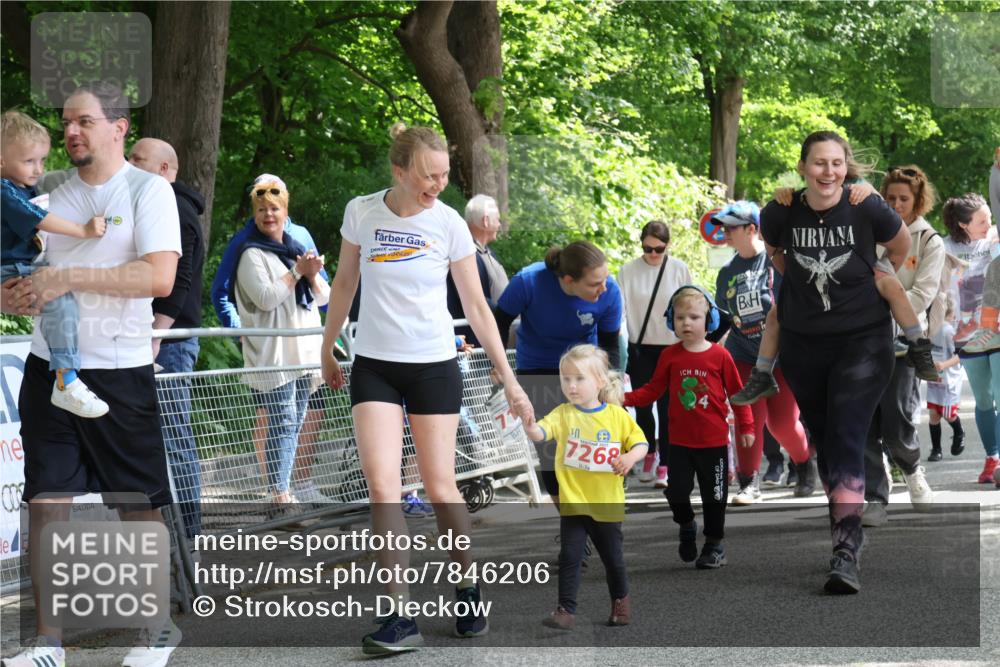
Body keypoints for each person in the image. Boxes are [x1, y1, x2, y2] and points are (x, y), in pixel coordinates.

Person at [319, 123, 532, 655]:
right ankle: (399, 614)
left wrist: (508, 380)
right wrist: (327, 346)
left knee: (440, 487)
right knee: (382, 487)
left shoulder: (450, 224)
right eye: (427, 175)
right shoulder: (361, 212)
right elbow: (345, 282)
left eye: (442, 174)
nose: (438, 184)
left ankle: (467, 586)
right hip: (374, 365)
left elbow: (477, 307)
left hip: (434, 364)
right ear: (398, 171)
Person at [11, 82, 182, 667]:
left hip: (119, 371)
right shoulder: (45, 189)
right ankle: (48, 645)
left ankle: (154, 634)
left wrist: (67, 281)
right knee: (46, 504)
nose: (72, 132)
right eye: (65, 123)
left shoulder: (149, 190)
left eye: (84, 121)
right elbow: (21, 267)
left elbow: (159, 279)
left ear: (119, 127)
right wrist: (13, 295)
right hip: (48, 367)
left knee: (135, 505)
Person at [760, 130, 912, 595]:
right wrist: (807, 292)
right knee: (827, 441)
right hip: (805, 345)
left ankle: (845, 550)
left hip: (864, 339)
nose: (829, 172)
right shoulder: (779, 210)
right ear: (803, 166)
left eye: (836, 163)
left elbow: (902, 246)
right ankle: (844, 522)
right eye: (819, 163)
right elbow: (776, 254)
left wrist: (875, 275)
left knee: (847, 434)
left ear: (846, 166)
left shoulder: (866, 205)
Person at [733, 184, 939, 407]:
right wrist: (783, 194)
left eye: (836, 163)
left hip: (861, 263)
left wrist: (870, 193)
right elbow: (777, 248)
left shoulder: (861, 189)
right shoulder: (805, 196)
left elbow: (892, 233)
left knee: (892, 287)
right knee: (776, 312)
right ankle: (762, 372)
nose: (827, 171)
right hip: (817, 274)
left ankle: (918, 344)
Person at [211, 173, 333, 506]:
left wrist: (311, 275)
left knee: (294, 421)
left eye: (275, 209)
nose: (269, 214)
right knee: (281, 419)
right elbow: (261, 297)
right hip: (273, 349)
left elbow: (324, 295)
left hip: (303, 349)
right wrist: (239, 331)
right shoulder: (247, 248)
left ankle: (286, 489)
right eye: (262, 209)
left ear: (285, 210)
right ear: (254, 211)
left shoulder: (300, 242)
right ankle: (279, 493)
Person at [624, 286, 754, 569]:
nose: (686, 323)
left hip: (714, 443)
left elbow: (738, 394)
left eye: (694, 317)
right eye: (680, 317)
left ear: (709, 322)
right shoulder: (670, 355)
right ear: (672, 321)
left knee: (715, 496)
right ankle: (686, 524)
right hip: (679, 443)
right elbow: (652, 391)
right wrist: (622, 398)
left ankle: (714, 545)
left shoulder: (720, 356)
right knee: (677, 492)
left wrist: (747, 426)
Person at [522, 344, 647, 629]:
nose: (571, 385)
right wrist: (528, 422)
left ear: (600, 382)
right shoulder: (563, 413)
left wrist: (629, 457)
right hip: (574, 502)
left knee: (613, 560)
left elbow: (640, 443)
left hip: (606, 503)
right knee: (570, 557)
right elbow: (541, 433)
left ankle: (621, 601)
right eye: (566, 379)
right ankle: (565, 610)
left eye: (579, 378)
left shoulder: (616, 416)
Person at [494, 240, 623, 505]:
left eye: (605, 279)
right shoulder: (528, 282)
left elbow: (610, 343)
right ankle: (570, 519)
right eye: (593, 283)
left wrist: (613, 382)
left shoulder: (609, 292)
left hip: (583, 369)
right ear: (568, 280)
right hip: (538, 367)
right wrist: (499, 366)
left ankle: (595, 511)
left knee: (587, 444)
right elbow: (499, 320)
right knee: (551, 451)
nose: (603, 287)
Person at [1, 110, 109, 418]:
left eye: (42, 161)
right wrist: (83, 230)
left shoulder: (23, 187)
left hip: (24, 265)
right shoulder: (5, 191)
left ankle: (67, 376)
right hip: (13, 269)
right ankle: (66, 379)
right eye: (29, 161)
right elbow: (40, 220)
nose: (38, 169)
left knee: (61, 297)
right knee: (59, 296)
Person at [128, 137, 206, 541]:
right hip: (162, 336)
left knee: (174, 437)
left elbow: (181, 275)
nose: (127, 164)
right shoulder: (158, 205)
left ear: (163, 169)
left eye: (136, 159)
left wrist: (157, 331)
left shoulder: (173, 206)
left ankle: (187, 533)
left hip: (168, 341)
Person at [711, 202, 814, 504]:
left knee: (781, 423)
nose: (725, 233)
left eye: (732, 227)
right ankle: (748, 483)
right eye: (724, 227)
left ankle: (805, 466)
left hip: (781, 356)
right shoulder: (726, 273)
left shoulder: (775, 261)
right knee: (748, 421)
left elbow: (797, 304)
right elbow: (722, 319)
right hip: (742, 356)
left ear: (752, 229)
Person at [859, 165, 943, 526]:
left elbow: (924, 293)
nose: (896, 205)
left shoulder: (929, 242)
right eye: (890, 198)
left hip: (905, 340)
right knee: (863, 419)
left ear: (918, 201)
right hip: (863, 338)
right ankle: (875, 496)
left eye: (903, 199)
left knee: (897, 416)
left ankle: (911, 469)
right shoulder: (869, 234)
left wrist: (890, 308)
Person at [617, 220, 690, 488]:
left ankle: (666, 463)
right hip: (640, 347)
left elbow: (689, 306)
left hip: (672, 347)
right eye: (647, 249)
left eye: (658, 249)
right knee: (644, 406)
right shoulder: (628, 271)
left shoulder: (679, 269)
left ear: (667, 246)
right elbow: (620, 312)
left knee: (669, 407)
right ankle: (648, 453)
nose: (653, 255)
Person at [944, 192, 999, 483]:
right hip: (966, 335)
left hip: (998, 329)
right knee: (983, 400)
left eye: (990, 217)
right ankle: (992, 457)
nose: (988, 223)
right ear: (964, 224)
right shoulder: (944, 247)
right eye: (982, 220)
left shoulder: (995, 241)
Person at [445, 193, 508, 345]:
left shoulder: (488, 253)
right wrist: (507, 313)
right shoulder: (464, 255)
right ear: (486, 221)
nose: (500, 224)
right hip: (474, 342)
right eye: (498, 219)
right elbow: (473, 297)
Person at [926, 294, 965, 461]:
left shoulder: (949, 331)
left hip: (949, 380)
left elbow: (961, 355)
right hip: (934, 379)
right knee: (934, 414)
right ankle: (936, 449)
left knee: (948, 414)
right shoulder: (929, 329)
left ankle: (958, 432)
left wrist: (944, 365)